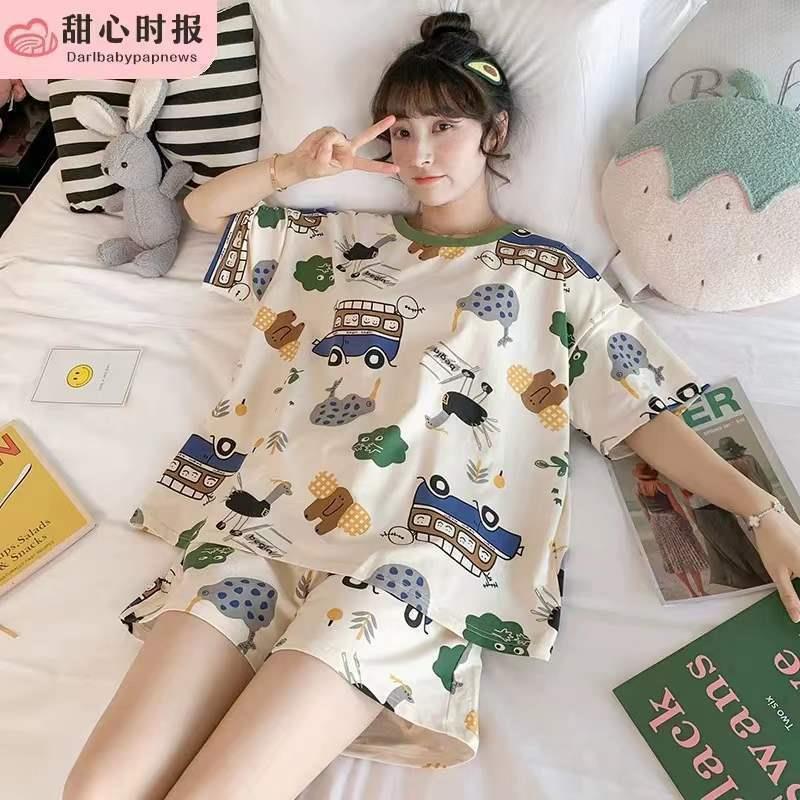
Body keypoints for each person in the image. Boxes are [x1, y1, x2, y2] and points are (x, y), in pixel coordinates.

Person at [63, 12, 800, 800]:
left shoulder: (554, 279)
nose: (418, 153)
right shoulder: (334, 239)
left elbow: (645, 415)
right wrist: (292, 167)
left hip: (408, 568)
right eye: (402, 130)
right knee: (97, 789)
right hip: (259, 527)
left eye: (444, 127)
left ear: (494, 132)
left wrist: (764, 514)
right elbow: (205, 213)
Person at [632, 461, 709, 598]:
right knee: (689, 554)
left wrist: (653, 523)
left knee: (672, 557)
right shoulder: (662, 486)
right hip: (672, 519)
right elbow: (676, 506)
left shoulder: (637, 489)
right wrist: (687, 521)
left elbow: (644, 510)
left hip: (656, 522)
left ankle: (691, 592)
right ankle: (701, 591)